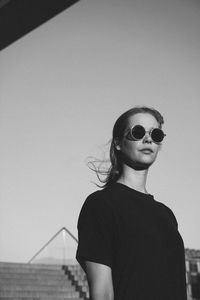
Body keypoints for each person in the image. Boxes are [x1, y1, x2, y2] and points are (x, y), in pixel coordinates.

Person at [76, 106, 187, 300]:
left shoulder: (166, 214)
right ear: (118, 143)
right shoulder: (100, 205)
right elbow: (102, 293)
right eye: (138, 132)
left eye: (156, 134)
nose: (148, 139)